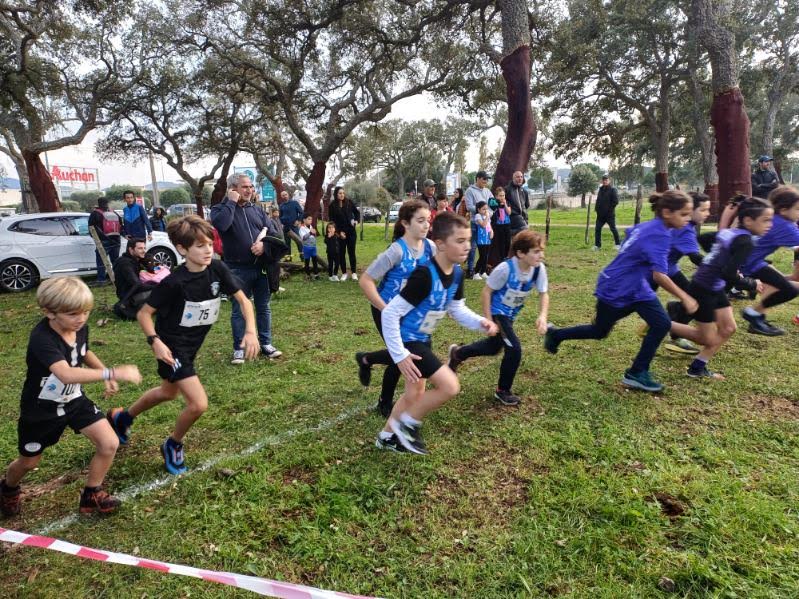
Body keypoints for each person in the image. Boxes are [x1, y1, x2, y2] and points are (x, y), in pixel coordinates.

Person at [107, 216, 259, 475]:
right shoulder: (174, 282)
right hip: (172, 347)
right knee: (198, 404)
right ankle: (172, 444)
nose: (208, 250)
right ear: (182, 249)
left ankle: (122, 418)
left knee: (168, 392)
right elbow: (144, 314)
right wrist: (155, 342)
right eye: (200, 246)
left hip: (193, 345)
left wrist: (251, 331)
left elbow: (244, 301)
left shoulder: (217, 270)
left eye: (209, 244)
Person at [0, 277, 141, 517]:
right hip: (41, 408)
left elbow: (84, 351)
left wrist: (103, 371)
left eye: (86, 312)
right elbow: (65, 374)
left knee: (109, 443)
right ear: (48, 312)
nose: (82, 319)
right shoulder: (42, 339)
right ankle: (7, 490)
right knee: (29, 462)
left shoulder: (79, 327)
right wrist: (112, 372)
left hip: (74, 400)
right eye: (73, 313)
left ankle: (92, 494)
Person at [544, 190, 699, 393]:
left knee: (661, 324)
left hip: (636, 288)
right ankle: (556, 335)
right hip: (617, 288)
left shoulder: (649, 226)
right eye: (684, 214)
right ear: (668, 212)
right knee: (600, 331)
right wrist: (685, 296)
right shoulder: (660, 235)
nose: (688, 219)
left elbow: (629, 237)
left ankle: (637, 371)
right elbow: (659, 275)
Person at [376, 212, 498, 454]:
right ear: (440, 244)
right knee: (450, 386)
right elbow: (389, 314)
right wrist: (399, 355)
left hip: (424, 338)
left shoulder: (457, 273)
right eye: (460, 241)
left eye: (468, 240)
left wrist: (480, 322)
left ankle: (386, 436)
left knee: (414, 393)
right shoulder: (423, 275)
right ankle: (407, 426)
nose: (467, 246)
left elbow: (456, 307)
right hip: (409, 341)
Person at [668, 196, 773, 379]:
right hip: (704, 289)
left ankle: (697, 368)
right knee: (705, 338)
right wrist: (751, 283)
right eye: (765, 220)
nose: (769, 225)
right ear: (748, 220)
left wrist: (718, 260)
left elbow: (706, 239)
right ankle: (660, 322)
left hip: (713, 286)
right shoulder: (745, 241)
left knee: (729, 328)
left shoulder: (731, 233)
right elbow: (728, 274)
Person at [448, 230, 549, 406]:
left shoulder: (538, 269)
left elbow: (543, 293)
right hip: (497, 313)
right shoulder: (505, 269)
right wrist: (488, 319)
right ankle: (503, 391)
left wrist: (542, 315)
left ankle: (458, 353)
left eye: (541, 250)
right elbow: (486, 293)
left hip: (510, 316)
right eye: (536, 251)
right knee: (514, 348)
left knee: (493, 347)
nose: (541, 255)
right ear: (520, 253)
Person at [356, 200, 435, 417]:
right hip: (385, 309)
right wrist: (387, 310)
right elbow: (366, 280)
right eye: (420, 221)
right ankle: (385, 400)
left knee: (406, 353)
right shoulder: (396, 251)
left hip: (411, 313)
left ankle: (366, 359)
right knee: (400, 354)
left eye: (427, 220)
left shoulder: (431, 247)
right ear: (405, 224)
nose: (426, 225)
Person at [211, 172, 283, 364]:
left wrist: (264, 246)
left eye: (251, 187)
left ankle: (266, 343)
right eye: (245, 187)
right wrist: (232, 203)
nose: (249, 190)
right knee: (238, 310)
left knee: (263, 307)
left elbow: (275, 234)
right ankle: (239, 348)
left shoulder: (257, 210)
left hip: (261, 268)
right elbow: (222, 226)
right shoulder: (220, 209)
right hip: (236, 269)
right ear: (233, 189)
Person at [739, 186, 799, 336]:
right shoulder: (784, 226)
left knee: (783, 286)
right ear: (784, 209)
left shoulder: (779, 220)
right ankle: (753, 313)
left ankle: (756, 319)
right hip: (744, 264)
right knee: (789, 290)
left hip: (755, 262)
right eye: (798, 209)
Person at [113, 238, 158, 320]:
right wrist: (158, 287)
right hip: (130, 298)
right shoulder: (125, 263)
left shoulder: (135, 260)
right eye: (140, 248)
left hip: (135, 293)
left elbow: (152, 271)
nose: (144, 251)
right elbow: (137, 284)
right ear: (131, 249)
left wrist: (148, 260)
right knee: (163, 290)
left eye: (144, 248)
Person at [87, 197, 122, 287]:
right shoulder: (114, 212)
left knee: (101, 261)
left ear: (98, 203)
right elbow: (121, 226)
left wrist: (97, 239)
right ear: (108, 203)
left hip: (103, 241)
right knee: (115, 261)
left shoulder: (95, 214)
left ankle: (101, 280)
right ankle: (117, 278)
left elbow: (91, 229)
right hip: (116, 240)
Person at [464, 171, 493, 277]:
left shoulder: (488, 191)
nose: (486, 181)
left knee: (486, 247)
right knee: (473, 246)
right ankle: (471, 269)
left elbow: (493, 205)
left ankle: (482, 270)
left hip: (487, 222)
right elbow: (469, 207)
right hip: (475, 223)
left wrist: (488, 213)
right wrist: (482, 211)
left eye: (487, 179)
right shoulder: (469, 191)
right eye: (484, 179)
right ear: (477, 179)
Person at [328, 186, 360, 280]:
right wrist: (338, 233)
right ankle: (344, 273)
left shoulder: (349, 202)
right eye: (340, 193)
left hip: (351, 232)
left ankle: (354, 273)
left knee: (351, 252)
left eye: (343, 193)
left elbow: (357, 213)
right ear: (336, 194)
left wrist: (356, 221)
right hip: (340, 233)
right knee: (341, 253)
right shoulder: (332, 205)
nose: (342, 195)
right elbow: (332, 222)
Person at [593, 175, 620, 250]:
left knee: (613, 229)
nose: (605, 181)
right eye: (603, 180)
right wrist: (596, 209)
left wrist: (609, 211)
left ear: (609, 181)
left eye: (606, 180)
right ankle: (597, 246)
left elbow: (615, 202)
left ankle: (618, 244)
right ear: (602, 181)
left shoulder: (612, 190)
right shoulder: (601, 189)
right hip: (600, 215)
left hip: (609, 215)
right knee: (597, 229)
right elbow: (598, 200)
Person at [278, 190, 304, 259]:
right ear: (281, 197)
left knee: (299, 242)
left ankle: (303, 257)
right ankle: (288, 259)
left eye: (285, 194)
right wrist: (281, 223)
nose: (284, 196)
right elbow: (280, 216)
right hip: (286, 227)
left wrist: (298, 220)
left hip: (294, 226)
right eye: (283, 195)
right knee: (287, 244)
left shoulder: (294, 203)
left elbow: (301, 212)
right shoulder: (281, 205)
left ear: (288, 195)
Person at [490, 186, 512, 260]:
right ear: (496, 196)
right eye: (500, 195)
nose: (502, 197)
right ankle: (502, 257)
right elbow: (492, 212)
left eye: (503, 195)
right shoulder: (494, 203)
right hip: (498, 226)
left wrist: (505, 204)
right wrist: (498, 204)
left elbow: (509, 212)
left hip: (507, 225)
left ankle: (506, 256)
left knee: (508, 242)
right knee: (501, 243)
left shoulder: (507, 202)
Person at [473, 200, 493, 279]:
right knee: (482, 256)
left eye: (486, 209)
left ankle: (483, 272)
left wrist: (491, 232)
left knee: (486, 256)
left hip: (487, 239)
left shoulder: (486, 217)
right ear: (478, 209)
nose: (485, 211)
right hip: (481, 239)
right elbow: (483, 225)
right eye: (483, 209)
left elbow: (489, 226)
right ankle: (476, 273)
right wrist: (487, 217)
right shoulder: (478, 216)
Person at [298, 214, 321, 280]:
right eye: (308, 219)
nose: (310, 220)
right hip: (307, 247)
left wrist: (314, 233)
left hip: (313, 247)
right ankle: (308, 275)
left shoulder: (311, 226)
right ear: (304, 220)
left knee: (314, 261)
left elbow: (314, 236)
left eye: (311, 219)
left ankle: (316, 274)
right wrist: (310, 233)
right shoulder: (302, 228)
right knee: (307, 261)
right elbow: (304, 237)